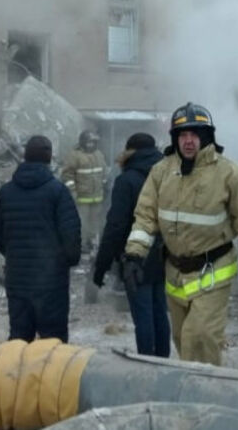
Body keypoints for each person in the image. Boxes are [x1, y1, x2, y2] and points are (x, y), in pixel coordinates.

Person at [123, 102, 238, 366]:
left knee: (199, 337)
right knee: (181, 339)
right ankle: (192, 383)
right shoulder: (161, 171)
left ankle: (205, 389)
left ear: (206, 137)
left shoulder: (229, 173)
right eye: (182, 135)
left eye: (194, 134)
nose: (188, 141)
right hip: (175, 272)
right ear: (175, 138)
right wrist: (134, 255)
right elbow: (145, 216)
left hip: (212, 272)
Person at [0, 135, 81, 343]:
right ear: (49, 158)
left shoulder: (6, 192)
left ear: (25, 156)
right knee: (53, 342)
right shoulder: (58, 191)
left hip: (17, 278)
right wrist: (66, 261)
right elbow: (71, 235)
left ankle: (17, 366)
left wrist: (15, 256)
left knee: (19, 339)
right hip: (51, 281)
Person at [92, 133, 170, 357]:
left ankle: (146, 362)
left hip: (135, 255)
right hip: (164, 252)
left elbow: (116, 225)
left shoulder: (126, 180)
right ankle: (163, 361)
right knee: (160, 311)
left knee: (143, 314)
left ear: (130, 151)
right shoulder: (167, 175)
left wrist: (101, 265)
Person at [61, 130, 107, 254]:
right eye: (89, 142)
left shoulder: (99, 154)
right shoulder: (74, 155)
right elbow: (67, 175)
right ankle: (80, 245)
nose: (91, 145)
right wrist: (72, 191)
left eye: (94, 142)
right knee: (81, 223)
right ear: (82, 142)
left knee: (94, 223)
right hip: (81, 198)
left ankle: (92, 243)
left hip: (97, 197)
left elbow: (103, 172)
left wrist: (104, 185)